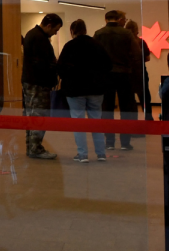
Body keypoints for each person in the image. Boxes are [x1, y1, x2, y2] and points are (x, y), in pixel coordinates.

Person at [57, 19, 112, 162]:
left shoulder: (69, 46)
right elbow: (108, 65)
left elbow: (61, 67)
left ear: (72, 31)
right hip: (96, 89)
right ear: (85, 30)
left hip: (75, 90)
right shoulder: (97, 45)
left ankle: (83, 155)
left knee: (78, 121)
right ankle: (101, 154)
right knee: (96, 121)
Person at [94, 10, 142, 149]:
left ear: (106, 20)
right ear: (119, 19)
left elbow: (94, 55)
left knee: (107, 109)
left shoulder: (99, 33)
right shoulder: (126, 34)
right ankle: (125, 143)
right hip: (124, 74)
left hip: (105, 75)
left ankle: (109, 142)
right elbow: (137, 54)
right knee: (126, 109)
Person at [21, 13, 64, 159]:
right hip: (38, 83)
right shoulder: (40, 39)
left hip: (31, 81)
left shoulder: (31, 35)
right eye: (55, 30)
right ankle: (35, 148)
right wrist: (53, 69)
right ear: (49, 25)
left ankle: (31, 146)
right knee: (39, 115)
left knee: (31, 114)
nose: (55, 33)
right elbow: (42, 63)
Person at [125, 20, 154, 121]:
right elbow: (148, 58)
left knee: (130, 100)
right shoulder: (141, 42)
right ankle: (149, 119)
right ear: (136, 30)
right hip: (140, 72)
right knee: (145, 98)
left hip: (127, 74)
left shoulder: (124, 43)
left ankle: (133, 121)